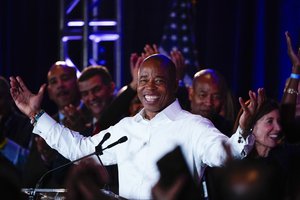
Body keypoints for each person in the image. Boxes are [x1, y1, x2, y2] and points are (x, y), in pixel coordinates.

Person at [10, 54, 255, 199]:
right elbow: (80, 150)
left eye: (159, 81)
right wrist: (35, 114)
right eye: (144, 80)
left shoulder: (194, 127)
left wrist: (243, 129)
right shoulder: (126, 128)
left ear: (175, 84)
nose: (149, 87)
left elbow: (229, 156)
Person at [189, 68, 237, 136]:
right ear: (190, 93)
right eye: (203, 95)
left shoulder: (229, 131)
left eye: (216, 97)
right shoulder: (177, 123)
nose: (209, 103)